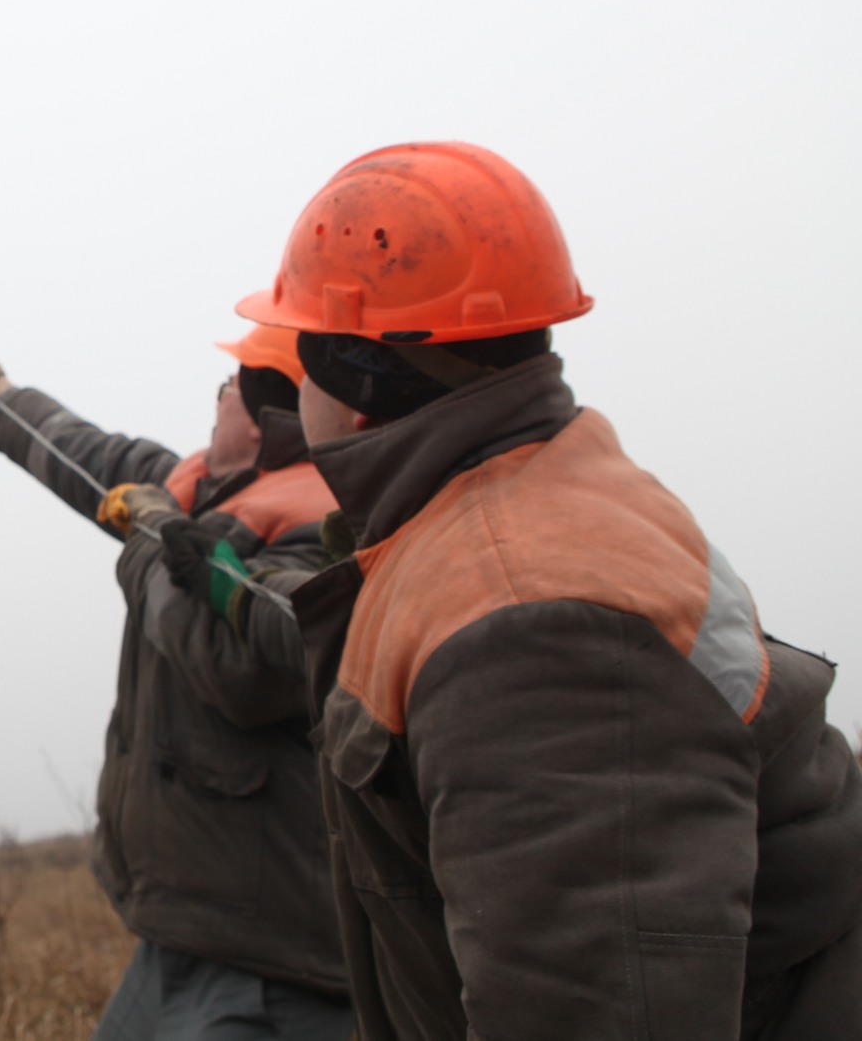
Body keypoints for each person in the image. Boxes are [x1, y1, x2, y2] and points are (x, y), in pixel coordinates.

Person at [233, 141, 862, 1039]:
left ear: (355, 374)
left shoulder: (525, 619)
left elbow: (600, 1012)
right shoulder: (549, 493)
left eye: (302, 350)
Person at [0, 330, 352, 1040]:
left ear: (263, 418)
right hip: (178, 941)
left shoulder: (320, 527)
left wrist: (148, 541)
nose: (219, 395)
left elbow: (240, 671)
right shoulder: (191, 488)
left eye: (232, 386)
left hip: (275, 964)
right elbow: (83, 452)